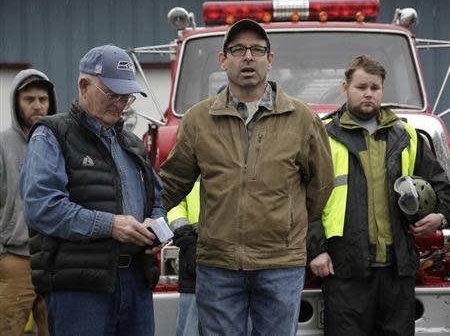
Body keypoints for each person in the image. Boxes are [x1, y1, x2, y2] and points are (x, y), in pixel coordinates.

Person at [160, 19, 334, 336]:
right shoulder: (199, 119)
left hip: (280, 265)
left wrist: (285, 226)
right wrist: (146, 221)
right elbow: (172, 183)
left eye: (257, 49)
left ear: (270, 59)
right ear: (223, 60)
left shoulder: (302, 118)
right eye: (238, 49)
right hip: (218, 266)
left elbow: (320, 187)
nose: (248, 57)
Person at [19, 44, 165, 336]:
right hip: (80, 289)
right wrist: (110, 225)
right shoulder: (51, 135)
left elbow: (156, 199)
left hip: (136, 282)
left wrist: (157, 229)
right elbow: (42, 207)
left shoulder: (131, 143)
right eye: (112, 93)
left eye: (127, 95)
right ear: (84, 86)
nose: (121, 102)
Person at [308, 54, 450, 336]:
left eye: (375, 87)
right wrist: (317, 249)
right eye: (361, 87)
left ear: (382, 90)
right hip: (344, 270)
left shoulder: (407, 136)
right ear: (345, 87)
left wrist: (440, 216)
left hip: (397, 270)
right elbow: (304, 199)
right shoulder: (323, 137)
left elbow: (442, 187)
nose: (369, 94)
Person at [0, 69, 56, 336]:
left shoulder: (59, 141)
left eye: (43, 99)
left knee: (55, 330)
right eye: (29, 99)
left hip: (54, 259)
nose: (37, 106)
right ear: (16, 102)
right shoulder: (2, 145)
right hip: (15, 259)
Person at [167, 181, 201, 336]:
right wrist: (187, 240)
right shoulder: (192, 156)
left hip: (256, 264)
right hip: (195, 262)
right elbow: (173, 200)